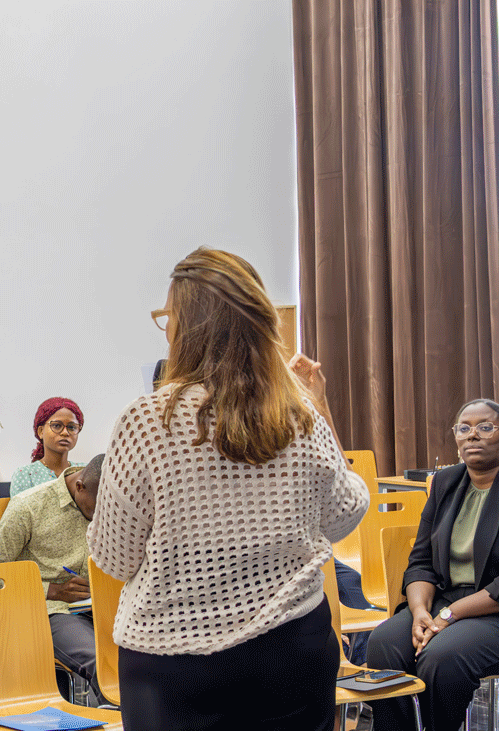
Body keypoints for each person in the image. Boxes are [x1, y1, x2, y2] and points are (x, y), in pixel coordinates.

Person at [88, 247, 369, 731]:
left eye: (167, 316)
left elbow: (114, 558)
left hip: (176, 662)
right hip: (293, 646)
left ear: (186, 325)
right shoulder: (300, 415)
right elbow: (345, 511)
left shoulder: (148, 421)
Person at [365, 399, 499, 731]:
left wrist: (449, 615)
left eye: (485, 427)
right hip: (449, 601)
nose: (472, 436)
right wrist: (421, 610)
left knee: (442, 656)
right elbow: (420, 561)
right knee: (384, 643)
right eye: (464, 428)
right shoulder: (446, 483)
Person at [0, 454, 105, 697]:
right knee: (102, 662)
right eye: (100, 507)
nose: (106, 515)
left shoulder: (111, 501)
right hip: (51, 609)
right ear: (80, 487)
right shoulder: (29, 505)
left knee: (150, 653)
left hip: (101, 607)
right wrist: (52, 590)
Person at [9, 397, 85, 498]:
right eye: (57, 426)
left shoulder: (85, 471)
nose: (65, 432)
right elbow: (21, 513)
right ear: (41, 431)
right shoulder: (25, 475)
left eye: (72, 427)